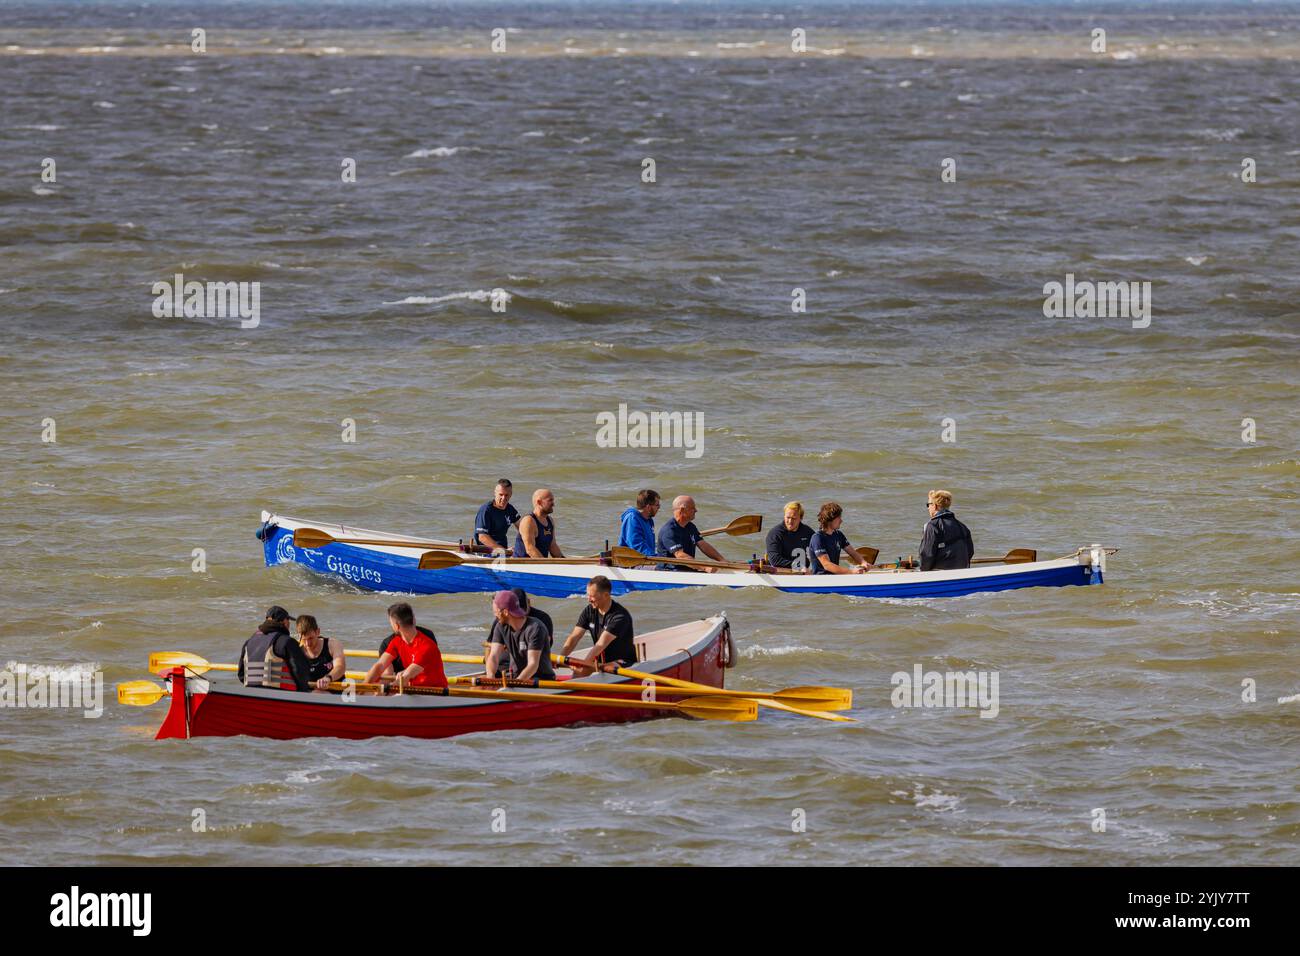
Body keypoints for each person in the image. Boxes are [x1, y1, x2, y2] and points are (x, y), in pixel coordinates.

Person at [560, 576, 636, 674]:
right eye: (588, 595)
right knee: (581, 670)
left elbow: (600, 645)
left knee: (581, 670)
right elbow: (574, 637)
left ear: (606, 595)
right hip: (601, 662)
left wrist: (583, 665)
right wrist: (560, 659)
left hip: (623, 662)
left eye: (592, 596)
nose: (589, 599)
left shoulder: (619, 616)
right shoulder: (589, 610)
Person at [366, 602, 447, 689]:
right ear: (413, 620)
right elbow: (380, 665)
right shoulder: (396, 641)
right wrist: (363, 688)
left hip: (435, 693)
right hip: (414, 692)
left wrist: (380, 693)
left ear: (396, 626)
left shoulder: (426, 646)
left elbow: (406, 676)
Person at [484, 590, 556, 682]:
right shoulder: (500, 626)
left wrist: (516, 684)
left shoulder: (535, 628)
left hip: (540, 679)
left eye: (496, 612)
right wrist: (490, 677)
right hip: (515, 678)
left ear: (505, 612)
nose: (495, 615)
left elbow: (533, 665)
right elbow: (494, 656)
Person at [238, 605, 313, 691]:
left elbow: (241, 674)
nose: (289, 624)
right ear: (284, 621)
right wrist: (303, 692)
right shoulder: (287, 642)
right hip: (281, 696)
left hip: (251, 694)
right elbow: (301, 672)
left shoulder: (249, 642)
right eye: (288, 620)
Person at [655, 495, 727, 571]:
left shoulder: (690, 526)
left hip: (687, 570)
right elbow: (680, 555)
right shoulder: (669, 531)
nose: (696, 510)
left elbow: (703, 544)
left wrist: (722, 560)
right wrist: (704, 567)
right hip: (669, 573)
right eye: (692, 508)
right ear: (682, 510)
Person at [809, 502, 875, 574]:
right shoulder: (817, 538)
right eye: (839, 518)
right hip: (822, 579)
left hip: (835, 578)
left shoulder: (838, 535)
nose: (841, 521)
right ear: (830, 519)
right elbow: (827, 565)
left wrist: (863, 562)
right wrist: (851, 572)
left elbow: (852, 552)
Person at [919, 489, 974, 571]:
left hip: (940, 574)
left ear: (935, 506)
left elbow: (927, 555)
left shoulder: (932, 525)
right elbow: (970, 552)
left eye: (928, 505)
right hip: (962, 572)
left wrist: (923, 572)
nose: (928, 508)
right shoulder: (962, 526)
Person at [296, 614, 346, 690]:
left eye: (310, 638)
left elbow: (340, 667)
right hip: (312, 693)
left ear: (317, 632)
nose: (307, 644)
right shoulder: (297, 651)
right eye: (304, 639)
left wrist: (328, 678)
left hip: (336, 690)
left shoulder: (333, 644)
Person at [513, 488, 565, 558]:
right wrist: (546, 566)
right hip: (522, 565)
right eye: (550, 500)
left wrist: (565, 562)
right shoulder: (528, 521)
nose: (553, 504)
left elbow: (552, 546)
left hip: (539, 564)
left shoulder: (550, 520)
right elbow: (530, 549)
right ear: (539, 502)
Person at [764, 500, 814, 572]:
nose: (790, 521)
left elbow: (819, 546)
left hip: (804, 571)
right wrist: (799, 567)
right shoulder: (775, 534)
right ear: (784, 516)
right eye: (788, 517)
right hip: (782, 572)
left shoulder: (807, 531)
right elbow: (775, 560)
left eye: (794, 518)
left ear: (801, 518)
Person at [473, 479, 520, 554]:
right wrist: (504, 551)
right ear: (495, 493)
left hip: (504, 550)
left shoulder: (510, 509)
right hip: (486, 551)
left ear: (511, 494)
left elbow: (523, 528)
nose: (504, 498)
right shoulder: (486, 510)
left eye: (506, 495)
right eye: (501, 495)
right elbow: (482, 537)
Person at [617, 489, 660, 556]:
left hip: (645, 560)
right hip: (630, 562)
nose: (659, 508)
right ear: (648, 507)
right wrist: (655, 558)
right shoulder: (632, 518)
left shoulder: (649, 520)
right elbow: (636, 546)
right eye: (657, 505)